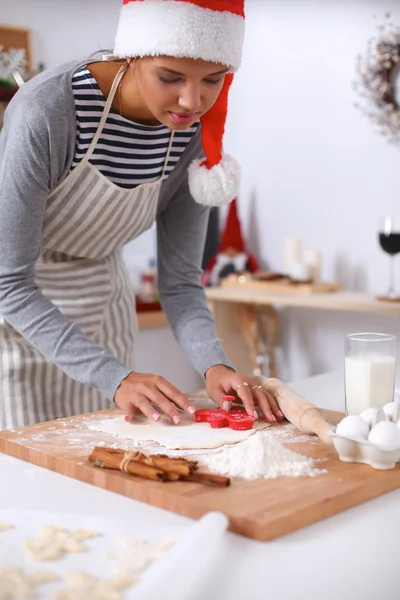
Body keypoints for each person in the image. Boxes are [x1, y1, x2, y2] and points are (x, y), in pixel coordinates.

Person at [0, 0, 283, 430]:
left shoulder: (191, 135)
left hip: (104, 310)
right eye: (170, 77)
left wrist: (214, 365)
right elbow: (9, 281)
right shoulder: (49, 112)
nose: (192, 101)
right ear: (132, 53)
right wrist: (114, 377)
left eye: (213, 80)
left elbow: (181, 284)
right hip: (23, 319)